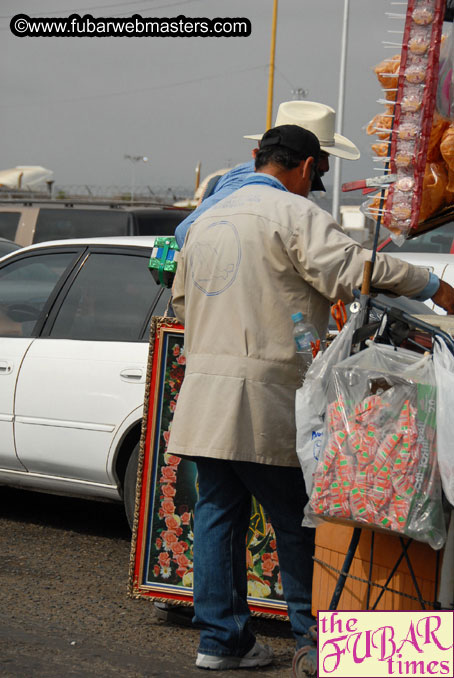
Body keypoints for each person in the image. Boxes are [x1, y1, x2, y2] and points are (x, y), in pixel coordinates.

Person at [167, 124, 454, 674]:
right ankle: (317, 640)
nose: (310, 188)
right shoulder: (292, 215)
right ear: (304, 168)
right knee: (300, 518)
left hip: (205, 397)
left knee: (217, 517)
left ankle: (221, 642)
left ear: (258, 157)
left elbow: (183, 303)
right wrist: (428, 284)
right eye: (313, 178)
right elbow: (352, 271)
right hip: (264, 397)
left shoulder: (204, 219)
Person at [174, 100, 360, 248]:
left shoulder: (275, 187)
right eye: (322, 156)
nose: (326, 166)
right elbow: (187, 231)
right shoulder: (249, 180)